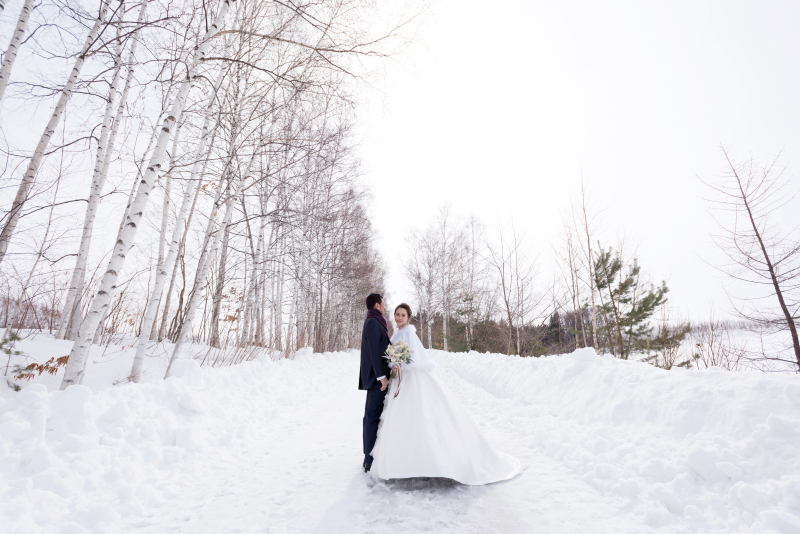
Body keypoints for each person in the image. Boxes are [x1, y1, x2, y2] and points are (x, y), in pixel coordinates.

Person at [370, 303, 522, 485]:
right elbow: (393, 357)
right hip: (401, 380)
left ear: (408, 317)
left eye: (403, 315)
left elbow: (416, 356)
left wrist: (402, 364)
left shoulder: (410, 332)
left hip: (413, 378)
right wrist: (394, 364)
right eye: (397, 314)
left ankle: (431, 461)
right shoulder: (395, 334)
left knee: (422, 415)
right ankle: (407, 461)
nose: (399, 317)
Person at [359, 293, 391, 473]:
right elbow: (373, 351)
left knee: (372, 417)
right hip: (376, 380)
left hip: (377, 378)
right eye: (383, 304)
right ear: (377, 305)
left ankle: (369, 457)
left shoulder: (375, 321)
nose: (385, 307)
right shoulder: (372, 322)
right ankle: (369, 459)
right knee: (371, 418)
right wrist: (381, 377)